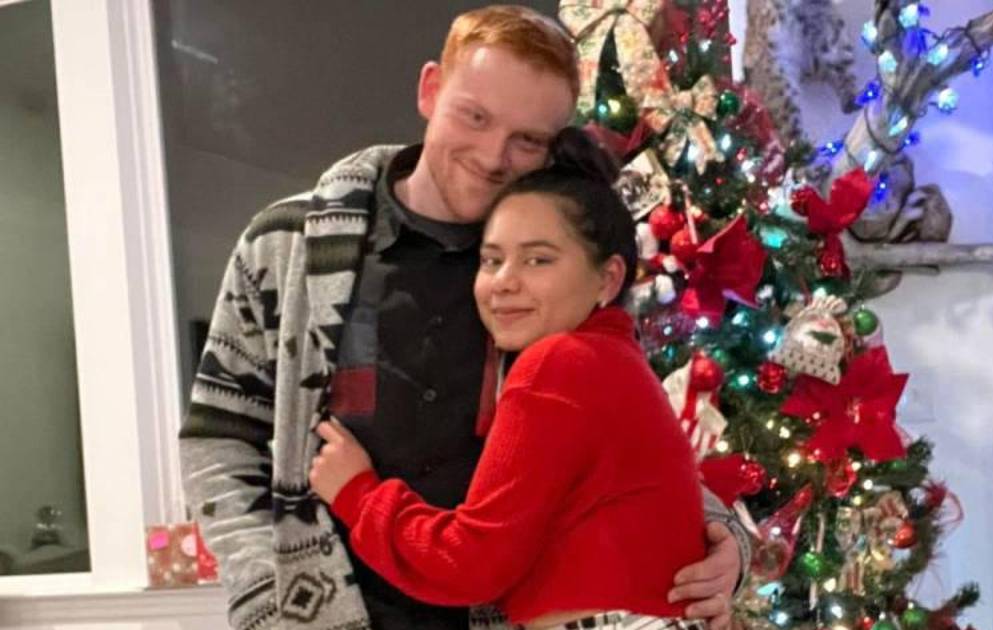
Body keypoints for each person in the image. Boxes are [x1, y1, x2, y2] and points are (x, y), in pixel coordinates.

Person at [179, 6, 751, 630]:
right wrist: (265, 597)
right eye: (474, 116)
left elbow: (619, 441)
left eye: (527, 139)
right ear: (430, 90)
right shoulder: (284, 246)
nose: (492, 155)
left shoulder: (558, 273)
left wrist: (721, 537)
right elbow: (220, 437)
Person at [310, 127, 709, 630]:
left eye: (538, 259)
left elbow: (468, 566)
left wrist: (356, 493)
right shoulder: (612, 360)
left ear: (607, 279)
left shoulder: (560, 364)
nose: (504, 282)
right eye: (492, 260)